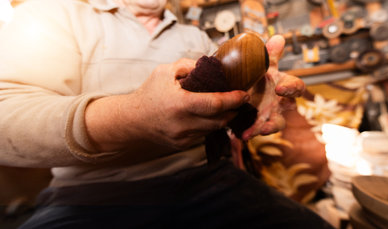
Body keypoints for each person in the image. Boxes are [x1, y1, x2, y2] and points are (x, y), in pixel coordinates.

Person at [0, 0, 333, 228]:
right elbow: (6, 118)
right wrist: (134, 117)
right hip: (93, 197)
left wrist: (252, 100)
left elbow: (214, 107)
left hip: (208, 182)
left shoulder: (194, 36)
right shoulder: (53, 13)